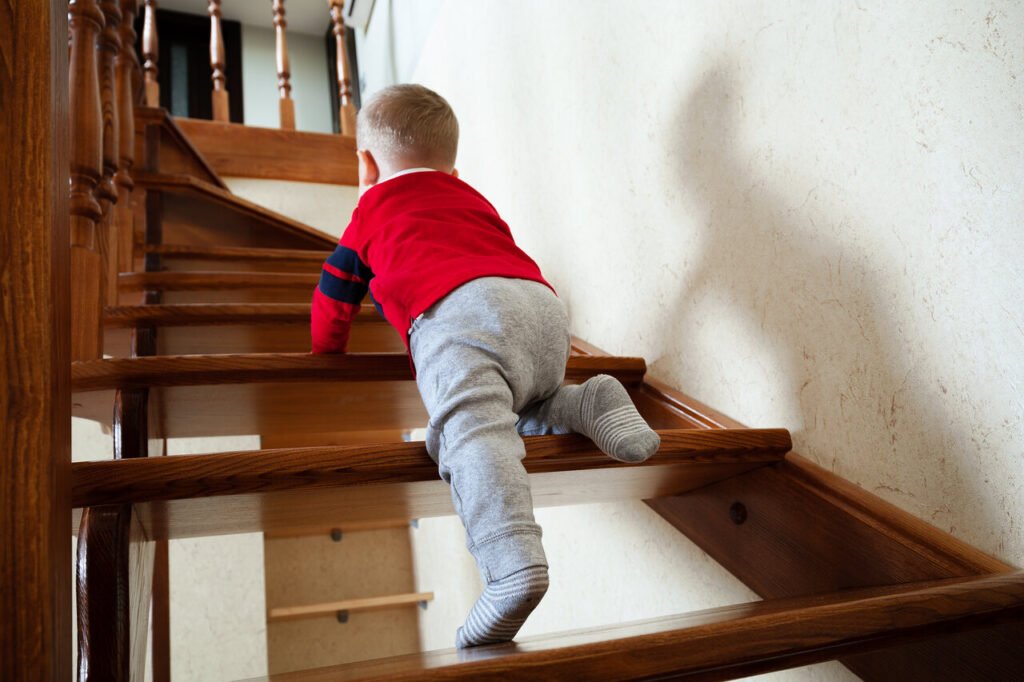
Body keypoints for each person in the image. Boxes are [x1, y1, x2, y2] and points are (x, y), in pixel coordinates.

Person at [311, 84, 660, 648]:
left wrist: (327, 353)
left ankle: (511, 565)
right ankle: (585, 400)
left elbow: (334, 296)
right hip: (543, 312)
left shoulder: (369, 210)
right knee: (517, 408)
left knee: (472, 431)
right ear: (451, 166)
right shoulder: (470, 197)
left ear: (366, 164)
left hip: (456, 317)